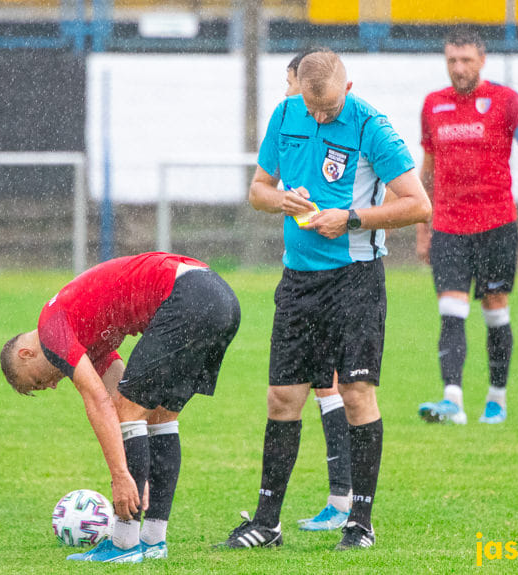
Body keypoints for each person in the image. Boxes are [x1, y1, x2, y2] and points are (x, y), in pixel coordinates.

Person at [218, 49, 431, 551]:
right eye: (311, 108)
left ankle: (360, 523)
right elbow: (257, 191)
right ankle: (267, 523)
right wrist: (280, 201)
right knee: (283, 398)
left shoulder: (372, 127)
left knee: (356, 395)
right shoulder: (286, 113)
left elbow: (418, 205)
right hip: (298, 280)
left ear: (348, 89)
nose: (318, 117)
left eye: (329, 110)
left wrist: (352, 218)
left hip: (355, 279)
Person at [0, 252, 240, 563]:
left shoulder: (51, 329)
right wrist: (141, 472)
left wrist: (121, 477)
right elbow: (121, 396)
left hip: (188, 295)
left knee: (132, 410)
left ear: (25, 353)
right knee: (158, 416)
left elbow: (100, 401)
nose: (50, 386)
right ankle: (154, 540)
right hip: (220, 299)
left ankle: (124, 544)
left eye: (35, 383)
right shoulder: (85, 336)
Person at [416, 26, 518, 425]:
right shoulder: (432, 105)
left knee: (494, 311)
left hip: (495, 225)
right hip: (449, 227)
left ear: (482, 60)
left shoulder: (507, 102)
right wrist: (423, 228)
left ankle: (496, 397)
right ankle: (452, 401)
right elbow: (428, 171)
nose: (458, 68)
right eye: (452, 60)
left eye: (466, 60)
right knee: (450, 311)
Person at [283, 48, 352, 532]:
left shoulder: (350, 125)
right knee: (324, 384)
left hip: (342, 277)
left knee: (339, 387)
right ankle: (341, 499)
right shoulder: (292, 124)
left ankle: (345, 501)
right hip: (302, 271)